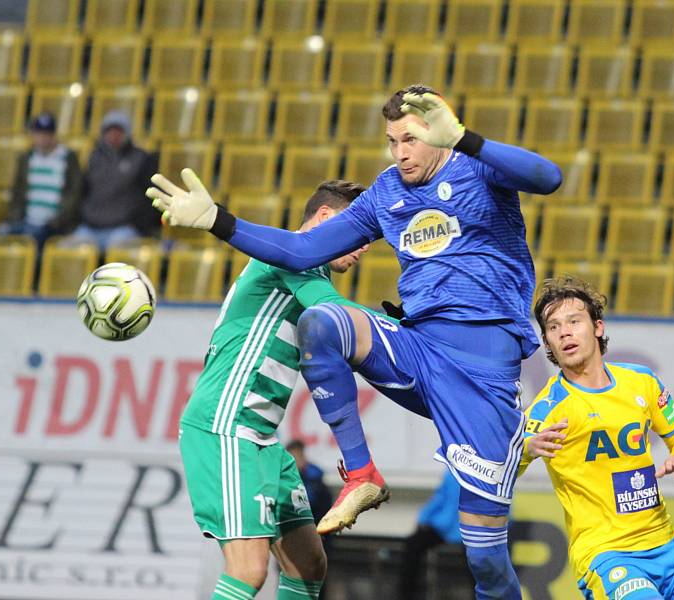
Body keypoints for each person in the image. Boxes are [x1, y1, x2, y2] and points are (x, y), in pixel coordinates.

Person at [147, 84, 563, 600]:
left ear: (438, 133)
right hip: (420, 350)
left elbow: (550, 178)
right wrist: (218, 220)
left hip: (483, 374)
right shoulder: (387, 193)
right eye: (392, 142)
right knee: (323, 322)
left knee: (486, 560)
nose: (400, 152)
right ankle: (361, 473)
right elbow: (301, 251)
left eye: (410, 139)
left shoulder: (476, 166)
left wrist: (467, 139)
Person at [178, 181, 370, 600]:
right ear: (324, 219)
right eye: (360, 234)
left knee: (308, 564)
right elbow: (335, 313)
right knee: (248, 571)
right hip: (226, 427)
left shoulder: (307, 264)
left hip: (261, 438)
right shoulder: (292, 253)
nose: (365, 247)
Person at [519, 275, 674, 600]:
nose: (564, 332)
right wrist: (527, 448)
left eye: (574, 321)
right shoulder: (549, 407)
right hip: (608, 556)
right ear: (548, 343)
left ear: (598, 327)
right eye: (553, 327)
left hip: (669, 546)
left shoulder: (641, 382)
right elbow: (506, 462)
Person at [67, 111, 158, 250]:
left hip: (123, 227)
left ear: (127, 133)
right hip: (90, 226)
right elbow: (83, 191)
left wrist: (139, 225)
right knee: (67, 250)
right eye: (110, 131)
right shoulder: (94, 158)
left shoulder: (141, 158)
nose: (114, 135)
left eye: (119, 131)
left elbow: (150, 196)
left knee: (118, 253)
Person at [0, 112, 82, 249]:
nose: (43, 138)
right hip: (26, 220)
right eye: (39, 133)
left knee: (34, 237)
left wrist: (57, 221)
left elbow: (74, 194)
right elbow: (18, 191)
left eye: (47, 133)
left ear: (53, 135)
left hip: (53, 224)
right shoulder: (27, 158)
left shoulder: (67, 158)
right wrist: (14, 218)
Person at [398, 469, 471, 600]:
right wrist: (423, 518)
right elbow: (440, 497)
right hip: (444, 528)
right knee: (413, 543)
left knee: (478, 560)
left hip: (473, 530)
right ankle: (407, 595)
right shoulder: (452, 472)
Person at [285, 439, 333, 526]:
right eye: (291, 458)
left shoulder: (315, 482)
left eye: (297, 457)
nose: (294, 462)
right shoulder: (281, 479)